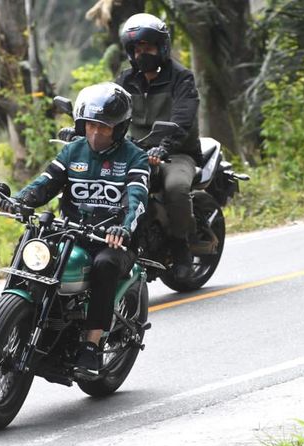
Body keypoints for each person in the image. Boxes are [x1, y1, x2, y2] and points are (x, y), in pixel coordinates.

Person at [0, 82, 149, 379]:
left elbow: (137, 201)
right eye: (90, 126)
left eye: (104, 128)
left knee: (104, 265)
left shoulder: (134, 157)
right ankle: (14, 312)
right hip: (71, 231)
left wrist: (124, 228)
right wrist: (20, 200)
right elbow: (45, 183)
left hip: (112, 239)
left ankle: (91, 345)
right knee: (31, 244)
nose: (95, 134)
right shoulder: (73, 151)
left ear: (119, 128)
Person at [115, 13, 201, 280]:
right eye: (137, 49)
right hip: (136, 152)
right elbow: (109, 111)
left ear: (161, 47)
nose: (142, 53)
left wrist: (164, 147)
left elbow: (183, 119)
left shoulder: (181, 78)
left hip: (176, 153)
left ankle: (181, 245)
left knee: (175, 187)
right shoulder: (126, 81)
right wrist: (82, 129)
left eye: (148, 47)